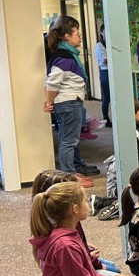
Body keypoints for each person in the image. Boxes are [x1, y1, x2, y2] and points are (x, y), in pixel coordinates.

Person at [44, 16, 99, 178]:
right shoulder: (64, 57)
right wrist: (49, 101)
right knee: (69, 140)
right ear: (67, 36)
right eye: (77, 33)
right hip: (69, 103)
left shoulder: (67, 55)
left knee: (70, 138)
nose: (80, 36)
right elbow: (52, 82)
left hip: (69, 102)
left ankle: (77, 166)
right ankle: (69, 175)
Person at [95, 24, 111, 128]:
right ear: (101, 32)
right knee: (107, 97)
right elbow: (105, 60)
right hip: (105, 72)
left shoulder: (110, 44)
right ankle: (106, 118)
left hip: (113, 71)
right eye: (105, 31)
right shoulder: (99, 45)